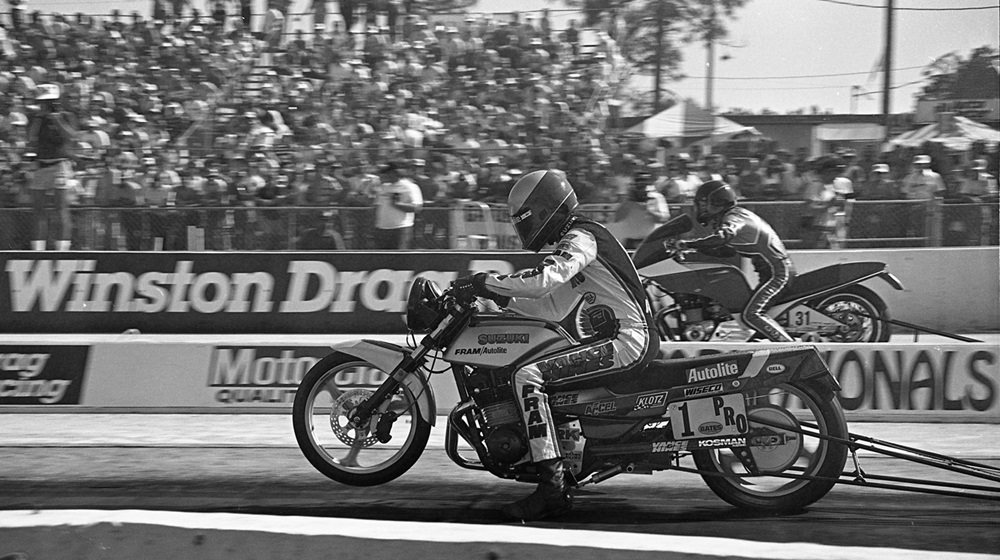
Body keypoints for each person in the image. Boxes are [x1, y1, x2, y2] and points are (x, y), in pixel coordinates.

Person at [452, 170, 659, 521]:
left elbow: (545, 278)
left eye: (525, 217)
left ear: (545, 209)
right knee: (537, 368)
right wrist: (499, 299)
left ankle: (552, 489)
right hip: (624, 338)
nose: (522, 225)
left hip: (627, 340)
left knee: (527, 375)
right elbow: (551, 305)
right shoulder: (582, 241)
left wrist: (486, 283)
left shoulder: (581, 238)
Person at [670, 180, 796, 343]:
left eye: (703, 203)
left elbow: (723, 237)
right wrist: (691, 249)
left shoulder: (735, 216)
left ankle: (790, 347)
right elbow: (725, 251)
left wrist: (687, 244)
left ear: (716, 201)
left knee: (751, 315)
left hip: (778, 274)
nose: (701, 208)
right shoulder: (733, 216)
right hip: (771, 273)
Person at [27, 84, 77, 251]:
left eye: (47, 103)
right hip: (41, 165)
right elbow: (31, 139)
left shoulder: (65, 116)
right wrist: (40, 118)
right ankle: (37, 249)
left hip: (59, 165)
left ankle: (62, 249)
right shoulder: (37, 119)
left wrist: (56, 118)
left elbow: (71, 136)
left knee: (60, 208)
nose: (44, 106)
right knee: (38, 210)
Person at [373, 159, 423, 249]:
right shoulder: (384, 187)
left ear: (395, 173)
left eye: (388, 173)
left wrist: (398, 204)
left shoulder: (410, 186)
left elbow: (417, 208)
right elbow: (377, 206)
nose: (386, 175)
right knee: (381, 260)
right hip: (382, 229)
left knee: (399, 259)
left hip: (400, 229)